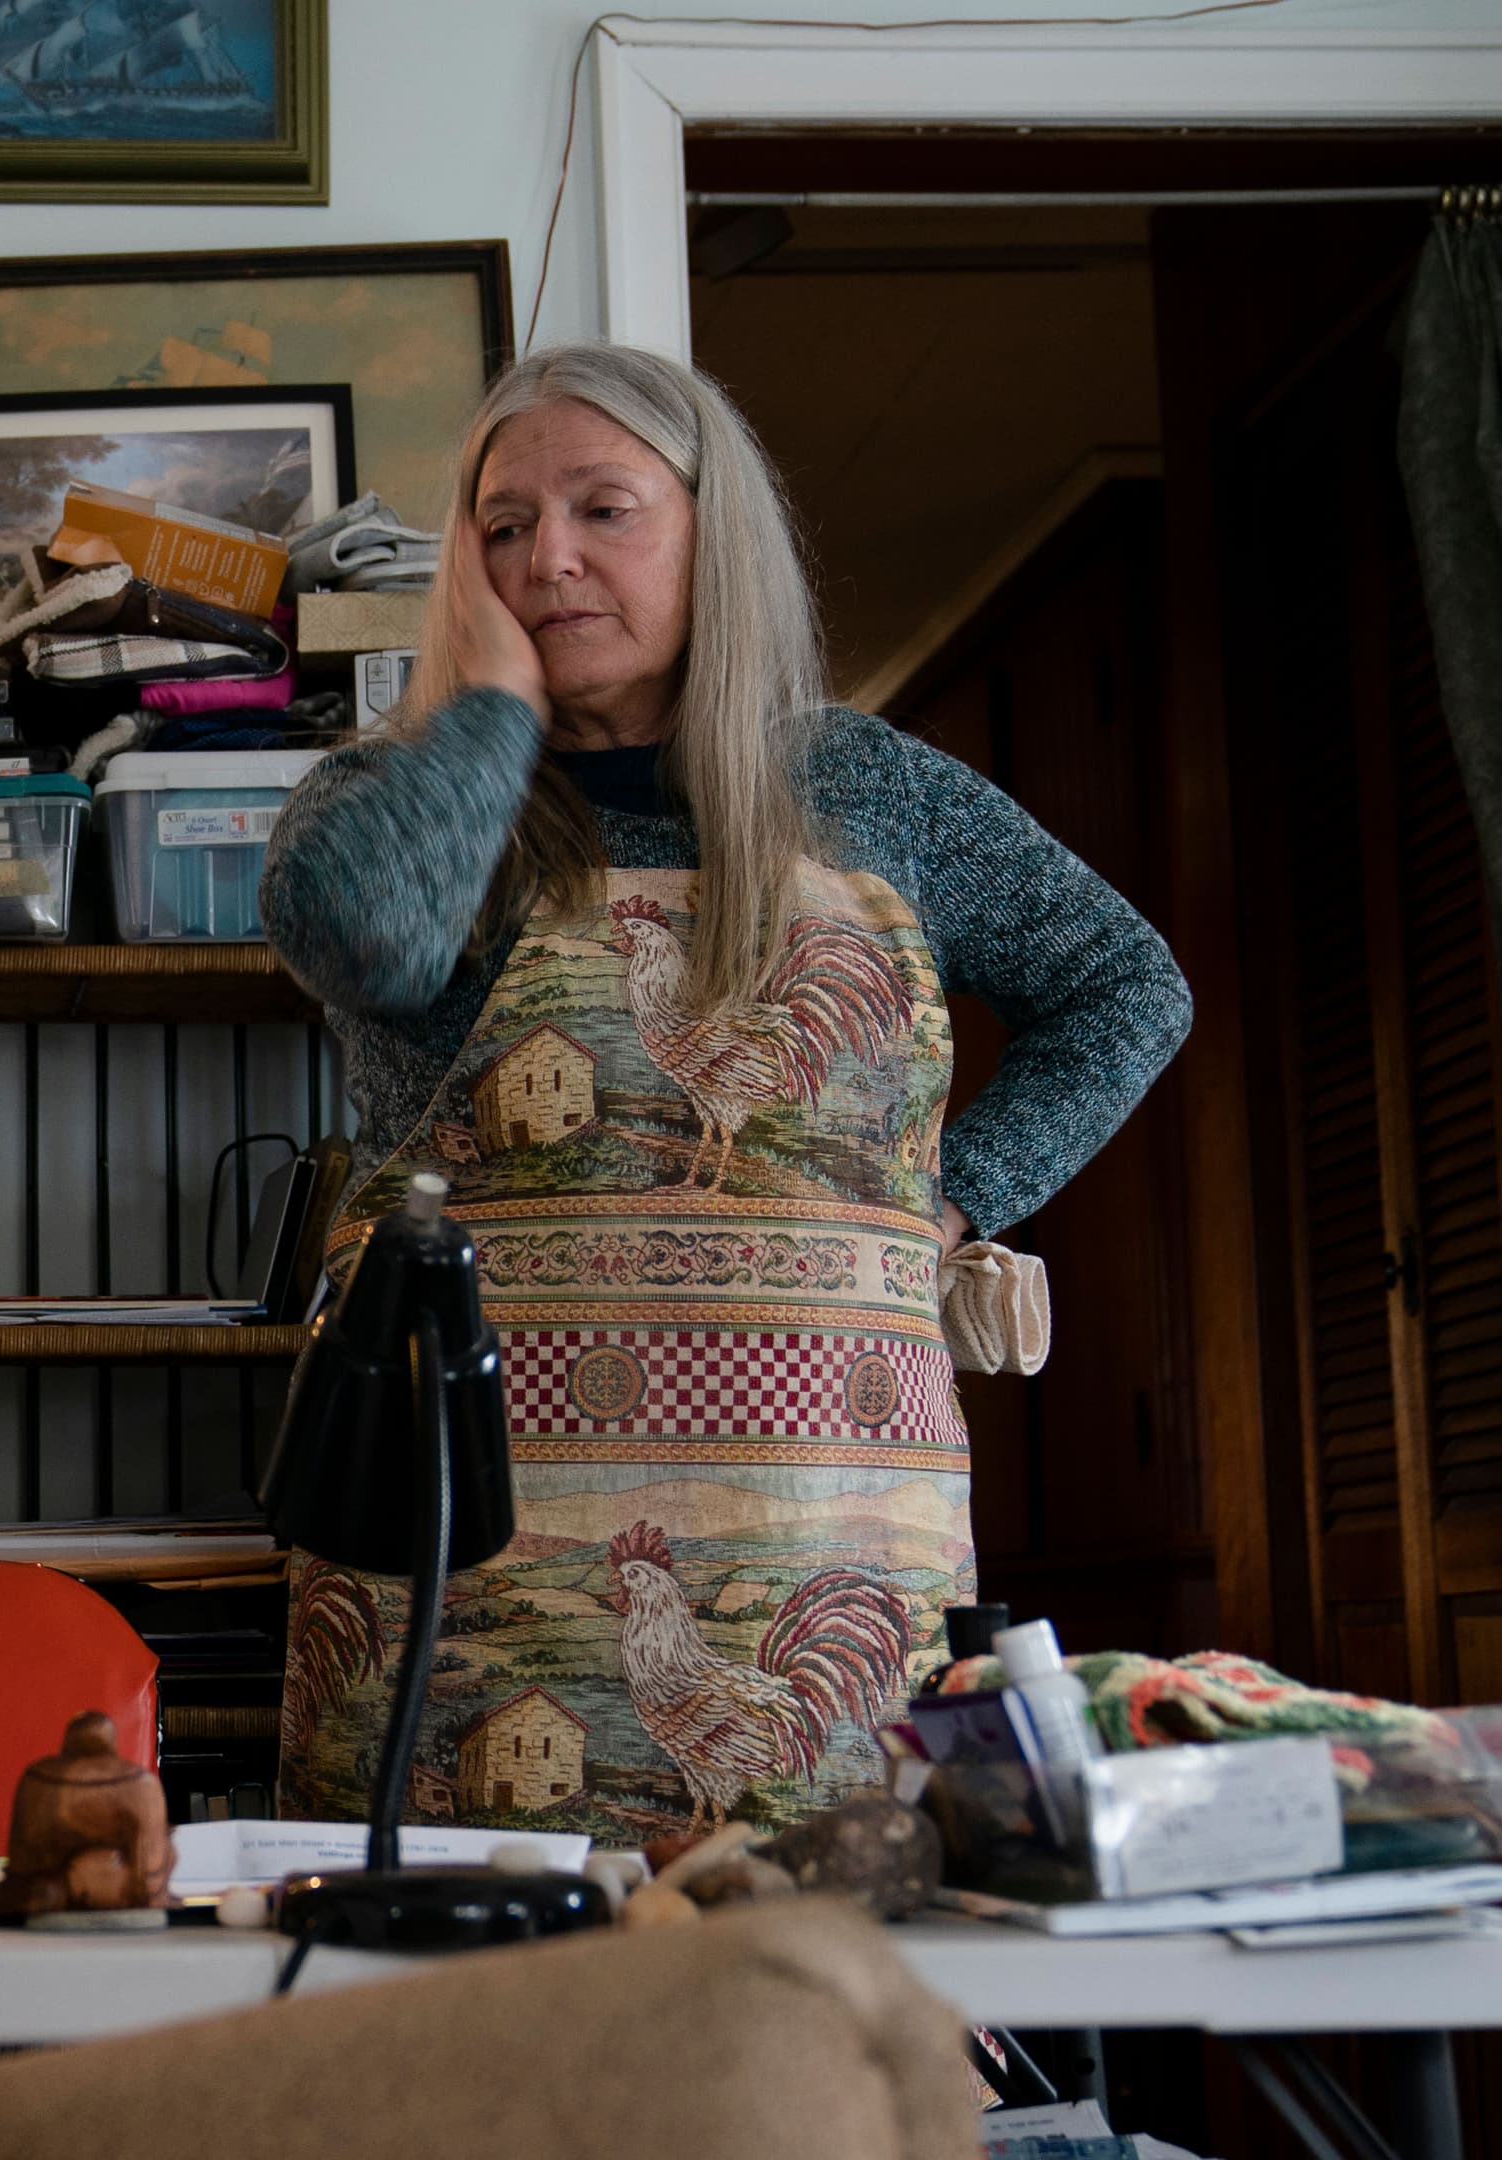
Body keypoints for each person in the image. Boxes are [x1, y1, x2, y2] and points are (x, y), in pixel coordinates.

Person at [260, 342, 1189, 1839]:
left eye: (601, 509)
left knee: (811, 2012)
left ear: (712, 533)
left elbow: (1130, 986)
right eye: (501, 525)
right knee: (463, 2031)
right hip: (463, 1563)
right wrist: (487, 712)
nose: (545, 556)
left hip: (826, 1545)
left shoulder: (876, 793)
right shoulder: (397, 799)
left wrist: (952, 1203)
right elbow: (361, 935)